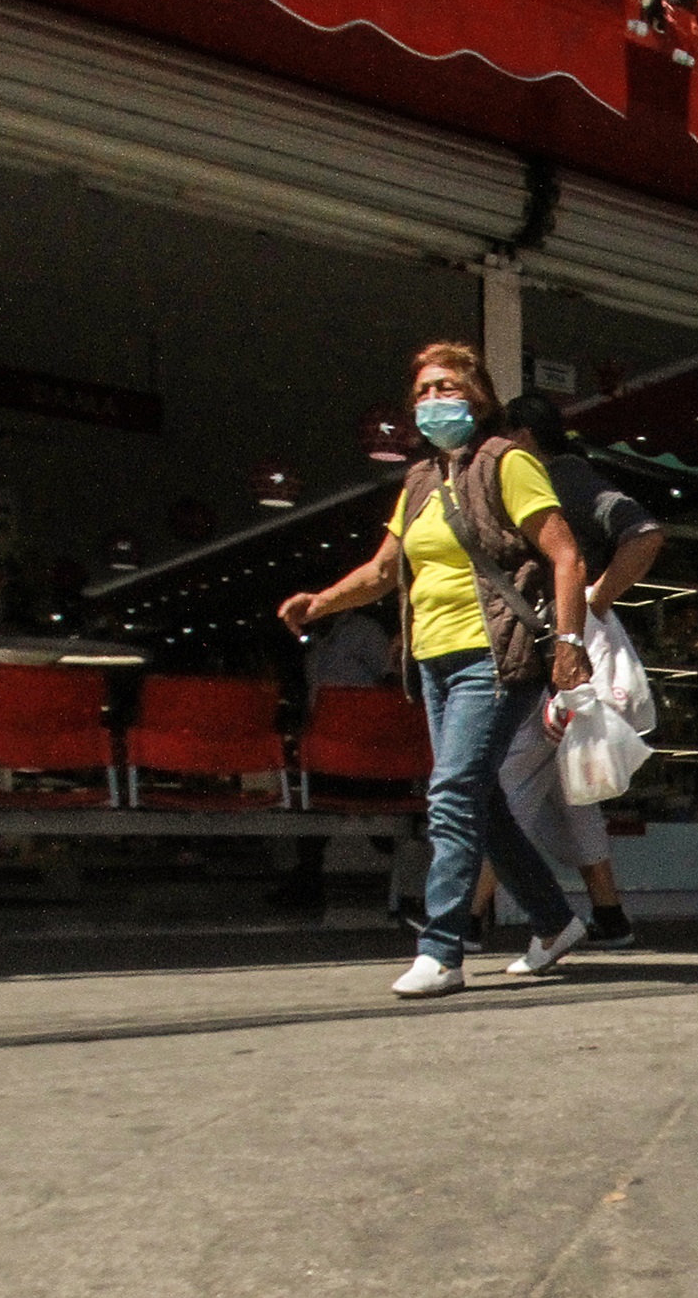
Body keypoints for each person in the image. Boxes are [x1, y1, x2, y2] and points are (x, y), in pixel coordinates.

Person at [277, 343, 594, 994]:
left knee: (451, 791)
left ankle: (442, 947)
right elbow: (385, 570)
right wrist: (322, 602)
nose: (431, 400)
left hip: (496, 654)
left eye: (445, 387)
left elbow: (567, 556)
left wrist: (568, 641)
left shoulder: (508, 463)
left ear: (477, 399)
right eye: (421, 391)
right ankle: (555, 920)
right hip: (433, 661)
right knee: (477, 796)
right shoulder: (420, 481)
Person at [469, 393, 664, 948]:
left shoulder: (563, 481)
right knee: (573, 786)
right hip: (575, 647)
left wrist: (597, 598)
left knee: (504, 780)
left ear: (524, 437)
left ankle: (465, 917)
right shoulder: (564, 478)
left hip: (560, 648)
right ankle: (610, 916)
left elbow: (644, 532)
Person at [268, 607, 393, 913]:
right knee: (314, 815)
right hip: (327, 745)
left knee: (385, 828)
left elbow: (390, 677)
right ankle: (307, 885)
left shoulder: (364, 631)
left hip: (366, 743)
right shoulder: (315, 640)